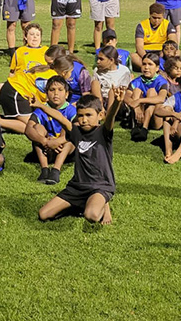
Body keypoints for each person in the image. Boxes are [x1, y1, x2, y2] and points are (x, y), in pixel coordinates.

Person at [39, 89, 126, 225]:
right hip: (77, 187)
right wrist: (40, 105)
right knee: (44, 214)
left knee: (91, 216)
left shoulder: (104, 132)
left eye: (88, 115)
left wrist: (117, 102)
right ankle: (82, 203)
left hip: (100, 186)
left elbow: (110, 118)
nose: (84, 120)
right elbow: (60, 118)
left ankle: (104, 204)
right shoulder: (76, 132)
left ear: (100, 115)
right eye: (80, 116)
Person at [0, 55, 76, 131]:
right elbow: (47, 101)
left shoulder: (47, 70)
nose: (71, 76)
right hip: (16, 92)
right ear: (64, 73)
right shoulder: (52, 79)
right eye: (70, 72)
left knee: (28, 121)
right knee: (31, 127)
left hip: (11, 88)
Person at [26, 76, 77, 185]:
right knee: (37, 128)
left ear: (66, 94)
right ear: (46, 94)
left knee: (68, 129)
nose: (56, 93)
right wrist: (45, 141)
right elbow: (28, 129)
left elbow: (77, 131)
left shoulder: (71, 110)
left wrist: (57, 142)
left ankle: (56, 170)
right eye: (52, 90)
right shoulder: (41, 109)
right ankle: (44, 169)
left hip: (66, 149)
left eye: (60, 90)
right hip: (46, 148)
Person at [0, 22, 47, 98]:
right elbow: (12, 72)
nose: (35, 37)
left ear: (41, 38)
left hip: (39, 85)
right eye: (32, 34)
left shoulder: (46, 51)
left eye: (37, 35)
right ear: (25, 37)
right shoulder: (20, 51)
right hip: (21, 85)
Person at [126, 53, 170, 142]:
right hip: (140, 115)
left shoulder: (162, 81)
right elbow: (126, 97)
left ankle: (144, 129)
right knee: (137, 90)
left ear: (157, 68)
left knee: (152, 91)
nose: (146, 67)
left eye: (150, 64)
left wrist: (139, 101)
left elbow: (161, 98)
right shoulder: (136, 81)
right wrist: (136, 107)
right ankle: (136, 126)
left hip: (155, 118)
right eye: (144, 64)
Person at [132, 2, 178, 70]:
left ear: (163, 16)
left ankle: (151, 69)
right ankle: (156, 69)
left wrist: (165, 52)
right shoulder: (142, 26)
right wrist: (146, 58)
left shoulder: (168, 25)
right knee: (133, 56)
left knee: (177, 53)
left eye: (159, 18)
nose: (156, 20)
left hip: (162, 52)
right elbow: (139, 46)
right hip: (147, 52)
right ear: (150, 15)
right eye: (154, 17)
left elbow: (173, 41)